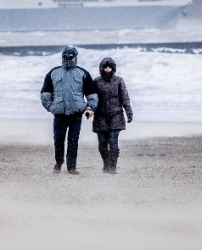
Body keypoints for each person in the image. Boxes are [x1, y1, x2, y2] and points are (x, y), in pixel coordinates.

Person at [40, 46, 98, 175]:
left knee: (73, 140)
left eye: (70, 57)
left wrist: (90, 108)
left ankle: (72, 167)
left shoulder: (82, 73)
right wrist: (50, 107)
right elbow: (45, 92)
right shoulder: (53, 73)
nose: (67, 59)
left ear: (75, 58)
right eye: (65, 56)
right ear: (62, 57)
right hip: (59, 113)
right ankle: (58, 163)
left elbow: (92, 94)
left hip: (76, 114)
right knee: (58, 139)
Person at [92, 57, 133, 174]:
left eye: (110, 67)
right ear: (102, 68)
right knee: (102, 144)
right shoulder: (96, 81)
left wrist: (129, 111)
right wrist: (89, 109)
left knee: (113, 142)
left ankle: (113, 166)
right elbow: (92, 98)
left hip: (116, 115)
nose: (108, 69)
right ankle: (106, 163)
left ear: (113, 68)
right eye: (105, 67)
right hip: (100, 117)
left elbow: (125, 98)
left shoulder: (119, 81)